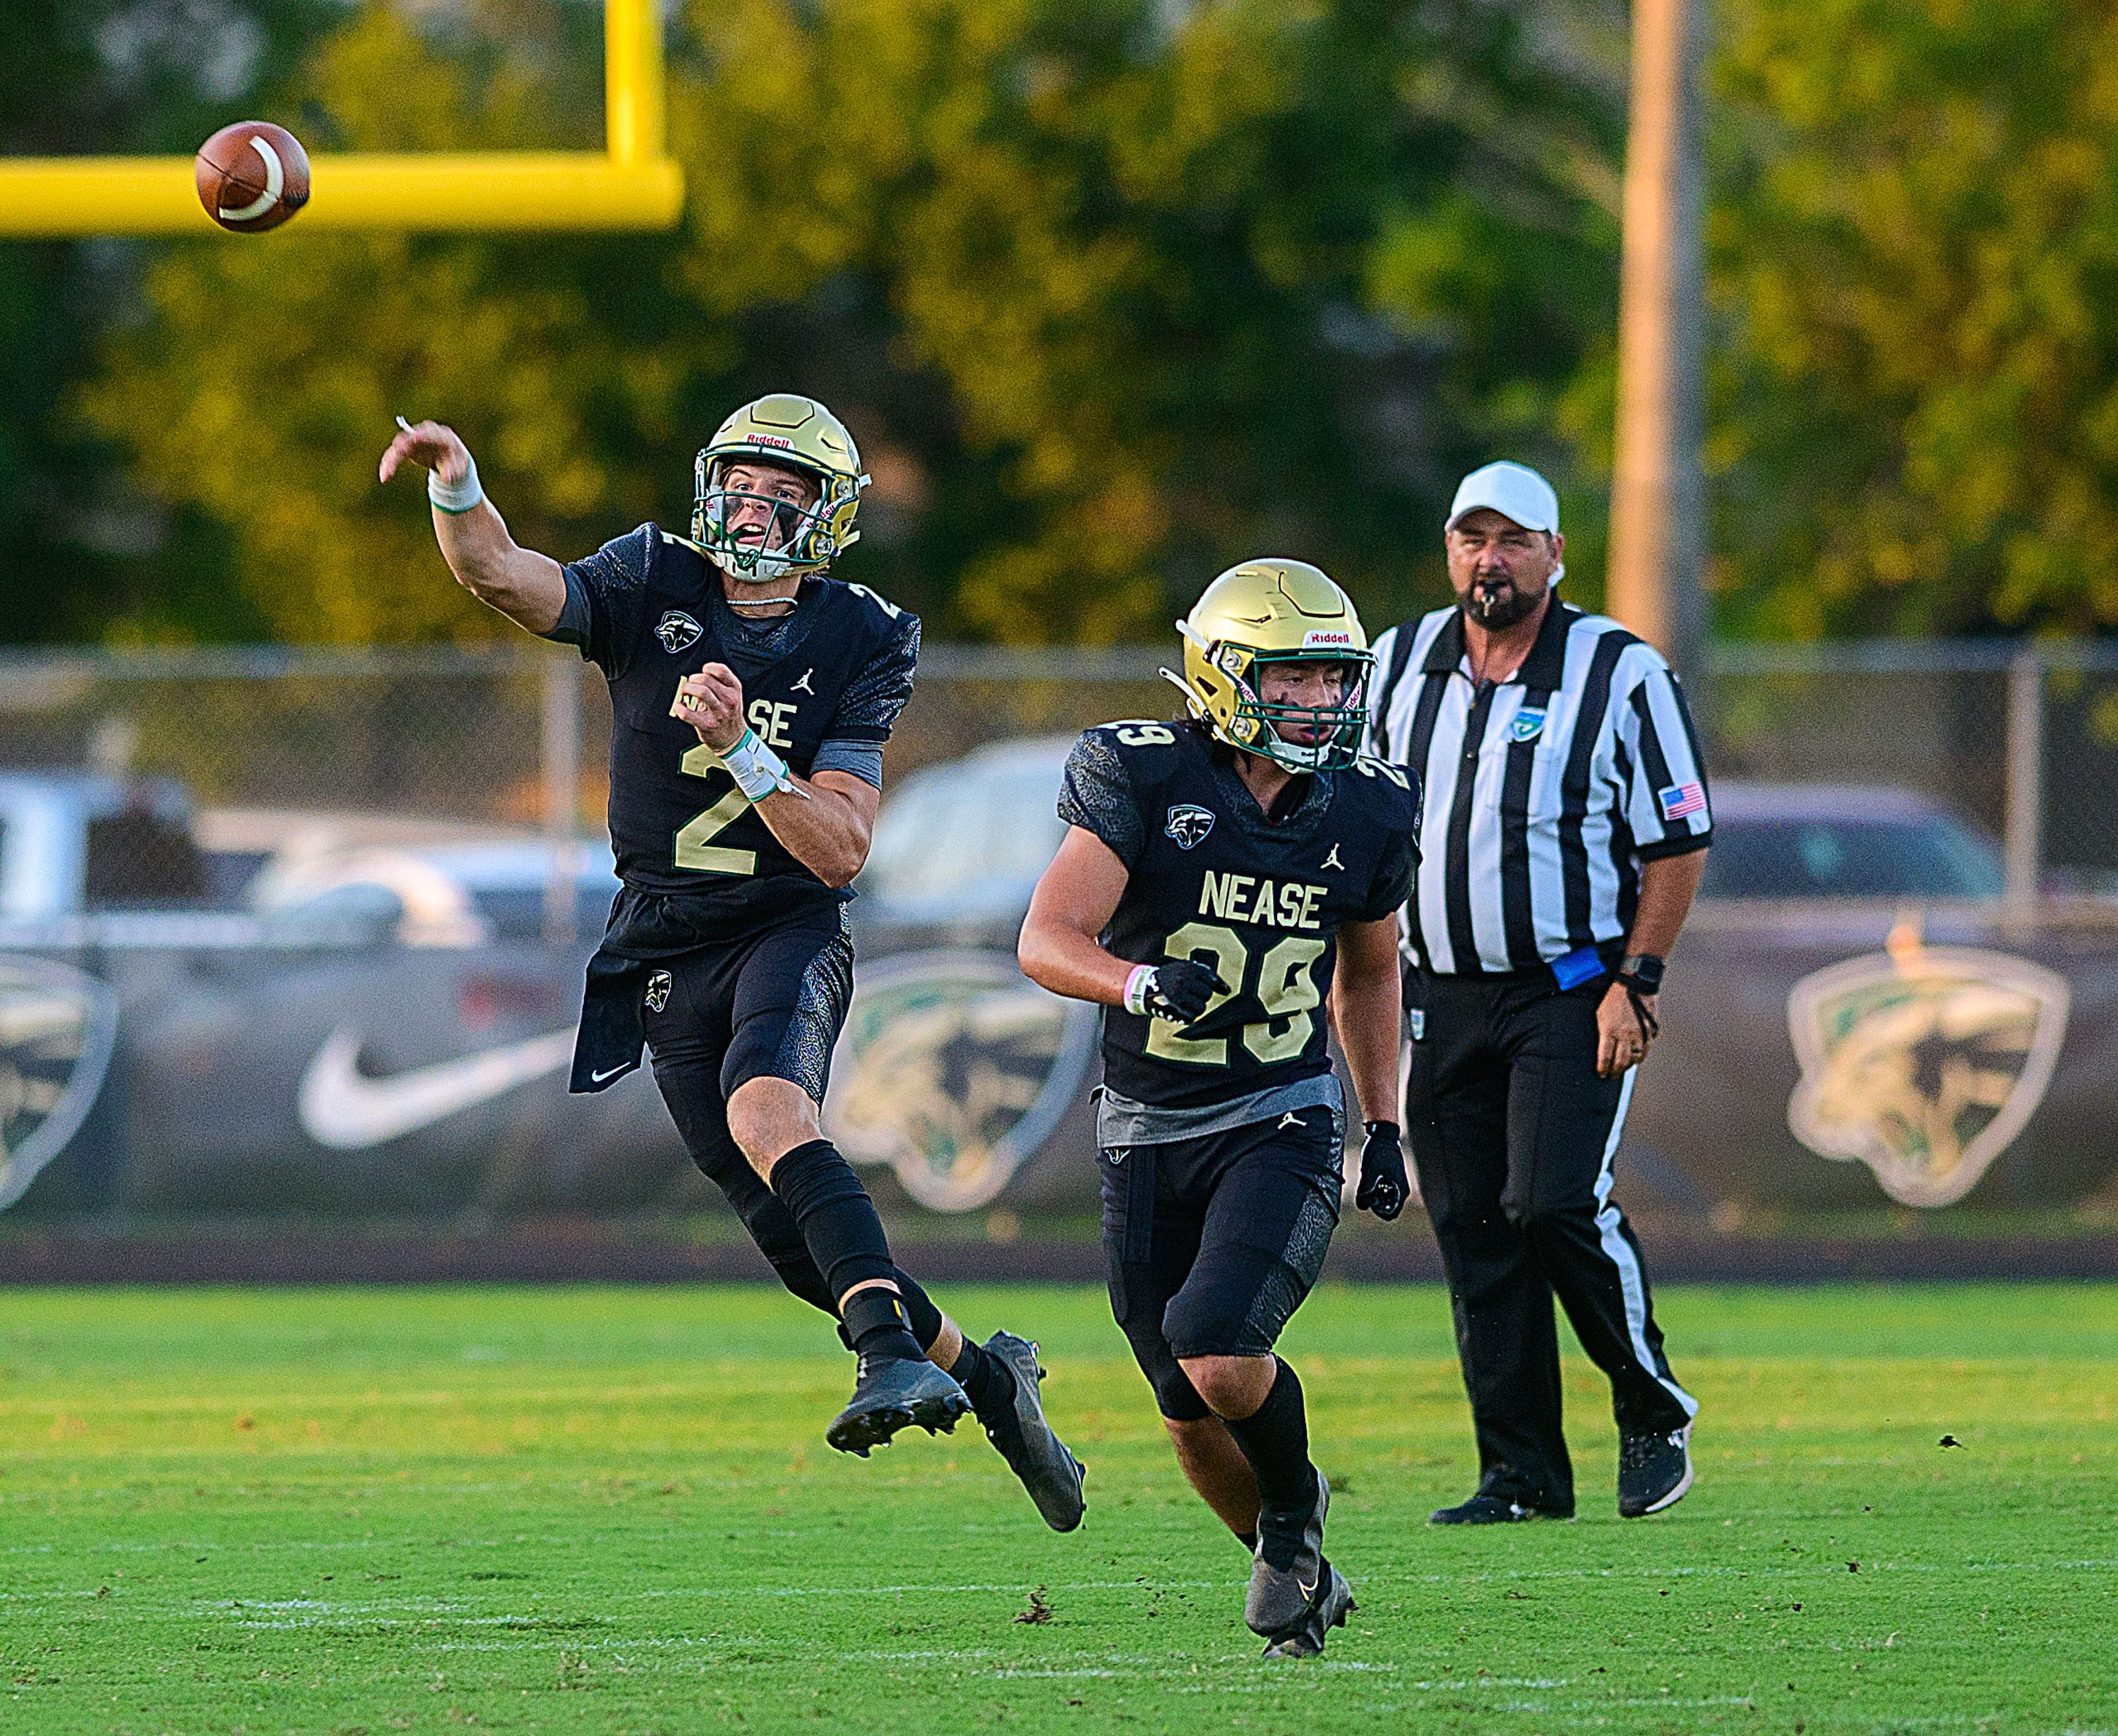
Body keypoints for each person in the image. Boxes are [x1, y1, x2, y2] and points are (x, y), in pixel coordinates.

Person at [378, 395, 1084, 1531]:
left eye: (781, 492)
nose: (751, 508)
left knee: (769, 1113)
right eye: (740, 484)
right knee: (801, 1249)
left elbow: (842, 848)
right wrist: (456, 483)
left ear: (829, 514)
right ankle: (991, 1382)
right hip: (663, 936)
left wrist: (744, 747)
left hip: (781, 925)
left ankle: (889, 1363)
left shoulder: (860, 632)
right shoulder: (652, 576)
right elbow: (505, 576)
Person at [1018, 559, 1418, 1657]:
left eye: (1334, 681)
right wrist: (1137, 982)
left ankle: (1294, 1513)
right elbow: (1046, 941)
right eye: (1292, 680)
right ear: (1225, 675)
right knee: (1186, 1412)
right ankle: (1303, 1571)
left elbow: (1371, 972)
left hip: (1280, 1112)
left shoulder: (1370, 805)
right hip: (1146, 1125)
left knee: (1218, 1350)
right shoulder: (1139, 774)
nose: (1321, 704)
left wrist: (1382, 1121)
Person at [1364, 460, 1711, 1524]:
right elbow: (1358, 812)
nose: (1491, 558)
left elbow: (1679, 838)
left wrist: (1635, 981)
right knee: (1472, 1221)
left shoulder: (1619, 671)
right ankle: (1521, 1473)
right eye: (1473, 537)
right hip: (1439, 989)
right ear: (1449, 549)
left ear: (1557, 554)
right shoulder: (1395, 661)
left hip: (1570, 986)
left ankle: (1653, 1408)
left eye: (1514, 539)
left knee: (1553, 1203)